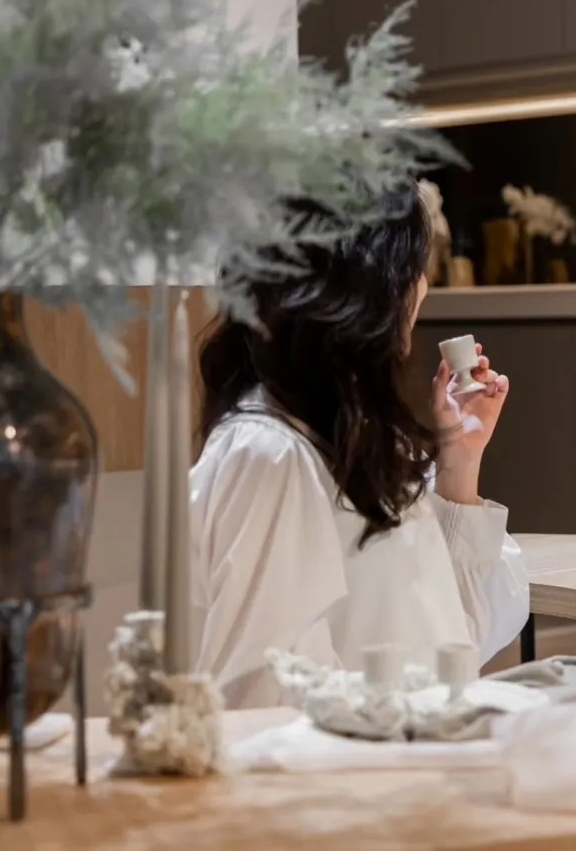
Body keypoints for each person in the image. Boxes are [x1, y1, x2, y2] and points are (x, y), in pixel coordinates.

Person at [189, 185, 529, 708]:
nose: (422, 287)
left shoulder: (357, 438)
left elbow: (448, 645)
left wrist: (458, 460)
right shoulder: (269, 454)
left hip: (408, 765)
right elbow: (260, 699)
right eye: (413, 268)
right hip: (355, 779)